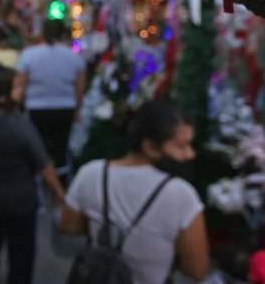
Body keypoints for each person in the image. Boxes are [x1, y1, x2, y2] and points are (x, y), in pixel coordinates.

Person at [60, 100, 209, 284]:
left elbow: (68, 226)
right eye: (181, 146)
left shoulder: (91, 173)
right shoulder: (182, 195)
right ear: (150, 147)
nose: (190, 154)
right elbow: (197, 270)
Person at [0, 65, 66, 284]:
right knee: (21, 258)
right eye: (17, 87)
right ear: (2, 97)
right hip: (20, 202)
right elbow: (43, 162)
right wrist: (59, 190)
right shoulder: (19, 125)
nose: (22, 91)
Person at [14, 20, 86, 165]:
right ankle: (60, 179)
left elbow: (20, 84)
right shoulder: (75, 58)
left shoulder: (28, 55)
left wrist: (17, 108)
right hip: (65, 108)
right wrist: (77, 110)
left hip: (36, 108)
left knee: (36, 150)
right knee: (60, 150)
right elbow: (79, 88)